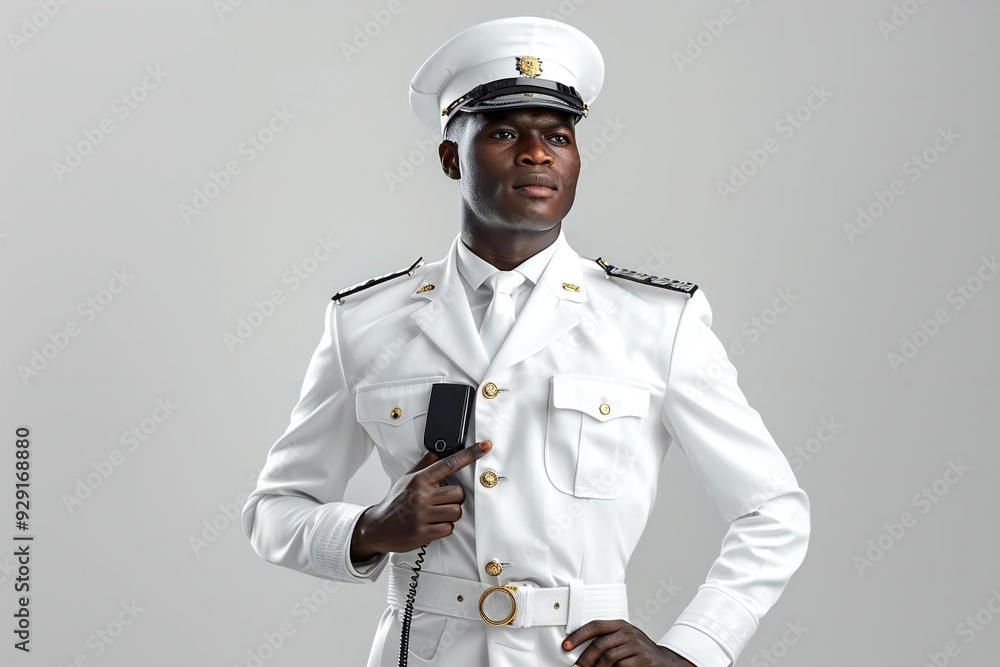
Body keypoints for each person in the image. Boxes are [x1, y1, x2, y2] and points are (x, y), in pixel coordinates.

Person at [241, 15, 810, 667]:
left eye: (558, 136)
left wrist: (696, 646)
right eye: (506, 132)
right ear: (451, 156)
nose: (537, 154)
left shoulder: (654, 322)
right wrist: (371, 528)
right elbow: (274, 511)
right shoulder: (369, 322)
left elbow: (773, 510)